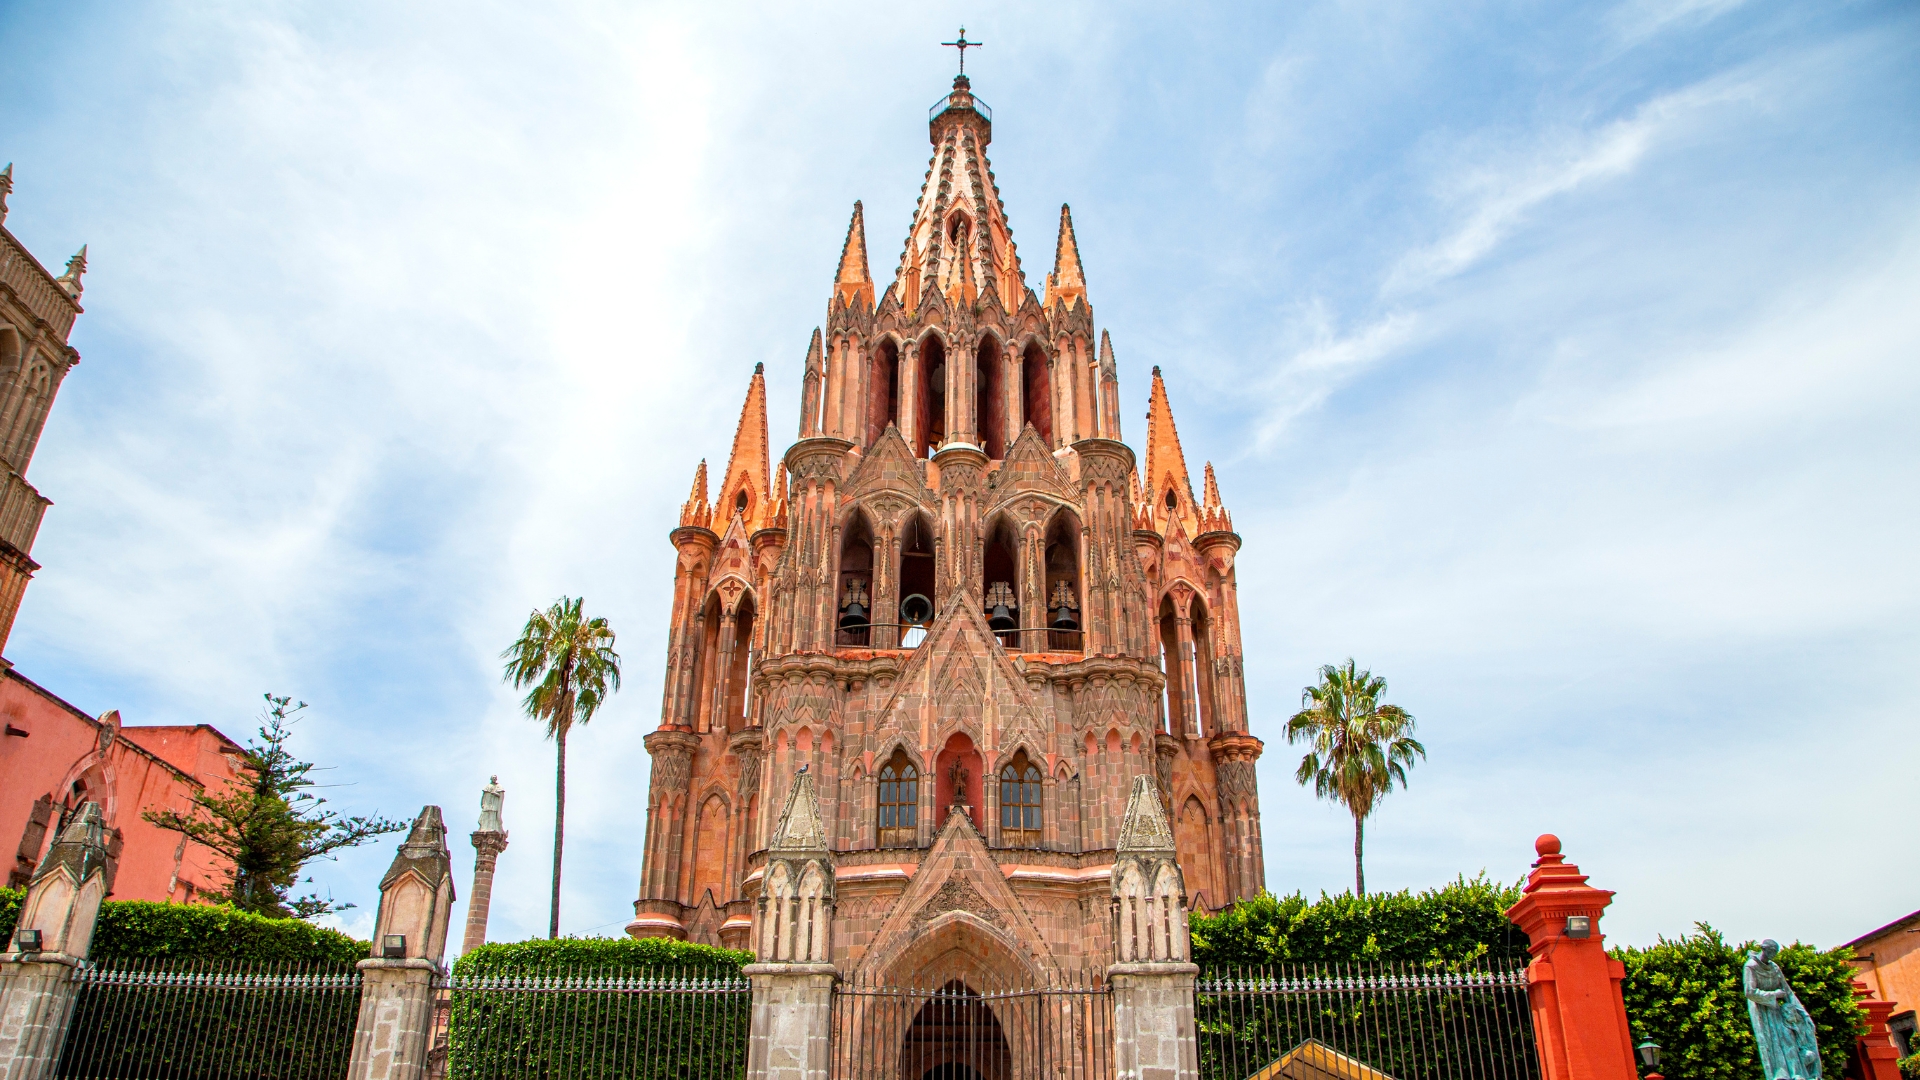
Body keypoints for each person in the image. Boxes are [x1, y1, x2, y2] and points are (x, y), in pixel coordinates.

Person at [1743, 939, 1821, 1079]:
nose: (1773, 955)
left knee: (1789, 1040)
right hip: (1762, 1012)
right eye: (1771, 951)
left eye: (1775, 952)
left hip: (1777, 1012)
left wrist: (1804, 1015)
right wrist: (1774, 995)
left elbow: (1788, 992)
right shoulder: (1751, 966)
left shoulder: (1774, 968)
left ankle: (1796, 1074)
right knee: (1771, 1046)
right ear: (1764, 949)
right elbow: (1749, 992)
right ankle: (1780, 1075)